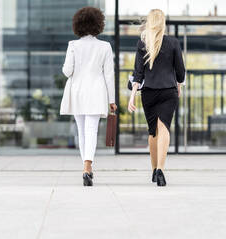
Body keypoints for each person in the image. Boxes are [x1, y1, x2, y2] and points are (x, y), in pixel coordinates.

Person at [60, 7, 117, 186]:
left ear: (78, 24)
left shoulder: (73, 45)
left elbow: (67, 71)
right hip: (96, 92)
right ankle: (87, 166)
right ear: (98, 24)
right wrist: (112, 100)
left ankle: (86, 168)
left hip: (77, 92)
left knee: (82, 131)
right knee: (91, 130)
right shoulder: (105, 46)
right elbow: (109, 75)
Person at [128, 9, 185, 186]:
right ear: (162, 22)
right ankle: (160, 169)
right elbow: (180, 71)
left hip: (149, 93)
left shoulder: (142, 43)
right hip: (169, 91)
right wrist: (179, 85)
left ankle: (154, 171)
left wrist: (132, 96)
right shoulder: (173, 43)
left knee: (153, 131)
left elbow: (138, 73)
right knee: (164, 128)